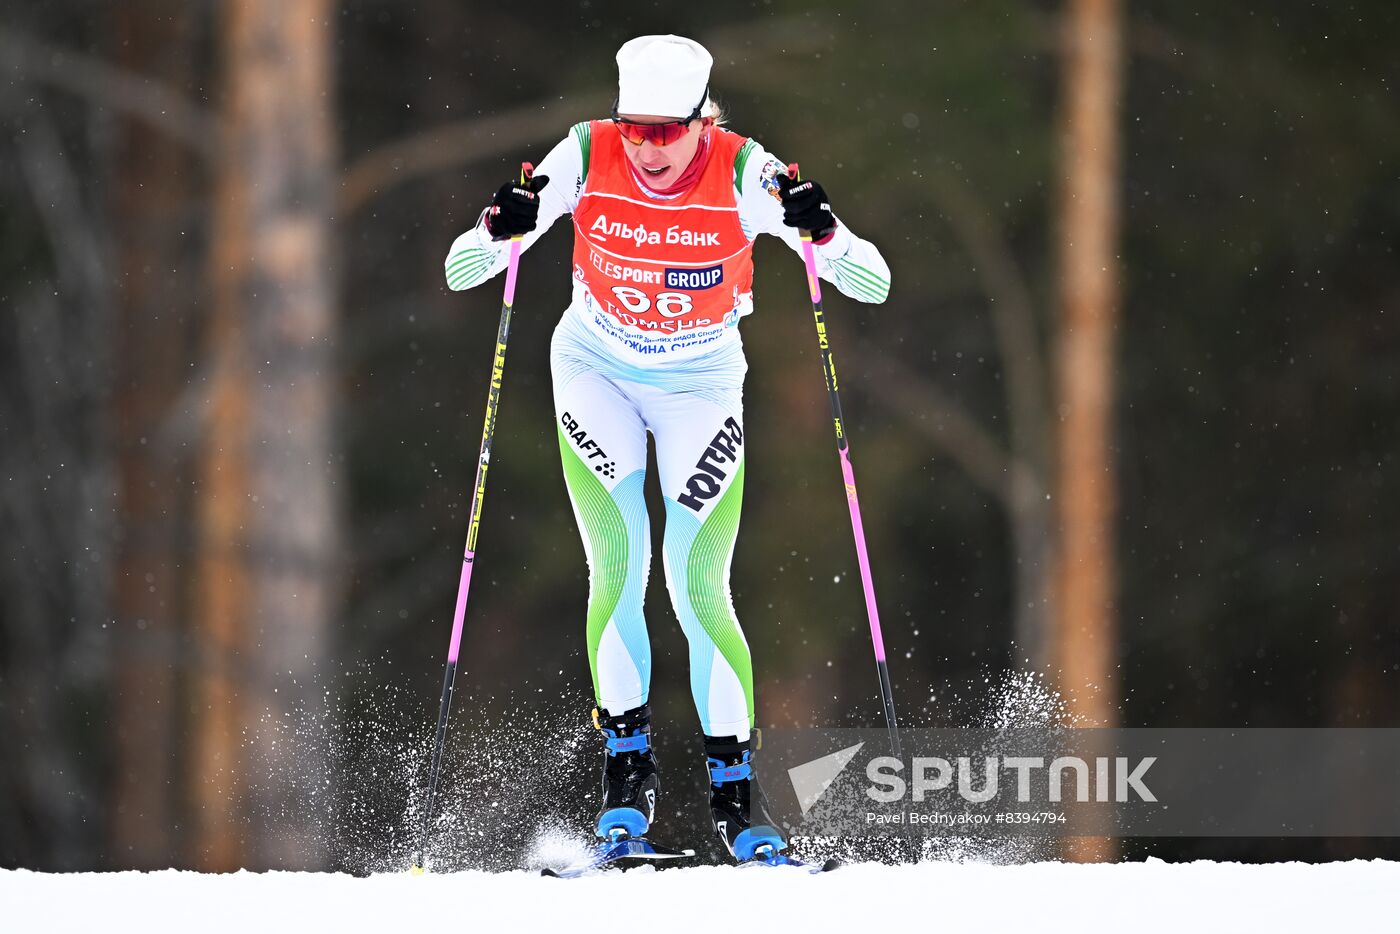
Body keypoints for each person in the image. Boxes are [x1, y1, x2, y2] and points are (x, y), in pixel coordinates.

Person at [444, 34, 890, 862]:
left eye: (664, 131)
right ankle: (627, 783)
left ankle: (735, 801)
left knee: (697, 582)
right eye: (634, 129)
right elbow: (461, 269)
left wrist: (823, 234)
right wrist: (496, 226)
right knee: (617, 564)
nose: (646, 148)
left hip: (701, 388)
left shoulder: (748, 173)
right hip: (594, 371)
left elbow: (874, 280)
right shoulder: (584, 151)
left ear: (701, 120)